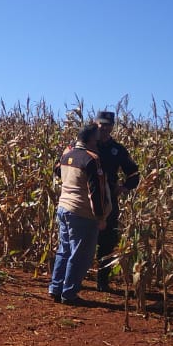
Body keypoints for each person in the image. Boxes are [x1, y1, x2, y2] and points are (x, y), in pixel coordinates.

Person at [48, 123, 112, 306]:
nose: (99, 140)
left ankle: (55, 287)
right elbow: (96, 192)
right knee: (80, 254)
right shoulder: (91, 160)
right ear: (91, 139)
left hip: (64, 208)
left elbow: (57, 171)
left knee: (64, 249)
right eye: (97, 137)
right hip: (82, 213)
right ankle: (69, 293)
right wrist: (100, 217)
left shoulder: (67, 155)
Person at [93, 111, 140, 292]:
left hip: (108, 202)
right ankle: (75, 278)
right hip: (86, 201)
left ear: (112, 126)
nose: (104, 128)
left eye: (108, 125)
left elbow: (134, 174)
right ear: (95, 124)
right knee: (83, 239)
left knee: (107, 241)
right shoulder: (86, 145)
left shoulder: (117, 149)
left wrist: (124, 187)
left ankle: (102, 280)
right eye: (101, 124)